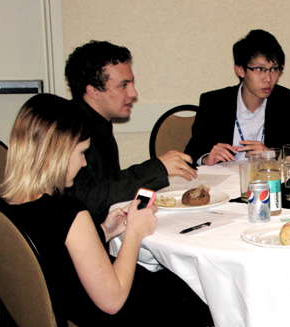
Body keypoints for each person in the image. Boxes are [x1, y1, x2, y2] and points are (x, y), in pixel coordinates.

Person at [0, 94, 210, 327]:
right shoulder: (68, 212)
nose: (84, 163)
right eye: (81, 153)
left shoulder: (10, 206)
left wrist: (104, 231)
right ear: (57, 154)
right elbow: (112, 301)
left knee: (180, 278)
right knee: (210, 289)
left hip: (81, 313)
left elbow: (57, 252)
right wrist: (134, 233)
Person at [64, 40, 197, 223]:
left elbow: (109, 184)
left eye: (132, 82)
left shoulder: (96, 120)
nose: (133, 93)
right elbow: (91, 198)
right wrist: (157, 168)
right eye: (123, 85)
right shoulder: (69, 128)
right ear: (93, 91)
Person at [185, 29, 290, 166]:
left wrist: (272, 154)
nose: (268, 79)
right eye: (259, 69)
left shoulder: (287, 101)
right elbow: (192, 151)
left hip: (270, 177)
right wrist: (206, 158)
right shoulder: (214, 102)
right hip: (225, 179)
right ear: (240, 70)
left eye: (274, 69)